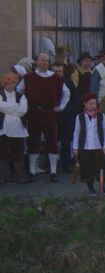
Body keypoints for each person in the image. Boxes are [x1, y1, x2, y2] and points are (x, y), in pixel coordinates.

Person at [21, 52, 70, 182]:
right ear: (37, 62)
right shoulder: (28, 78)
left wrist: (61, 107)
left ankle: (53, 172)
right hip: (34, 113)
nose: (45, 63)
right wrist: (24, 106)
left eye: (47, 61)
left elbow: (66, 93)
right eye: (42, 60)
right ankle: (32, 171)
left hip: (50, 113)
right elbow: (19, 92)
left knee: (52, 142)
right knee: (33, 143)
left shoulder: (55, 78)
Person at [72, 92, 105, 196]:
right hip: (85, 147)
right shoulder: (80, 117)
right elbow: (76, 132)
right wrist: (75, 148)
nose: (93, 106)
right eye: (90, 104)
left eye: (94, 103)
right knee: (87, 168)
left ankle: (102, 186)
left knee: (101, 167)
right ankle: (91, 188)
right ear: (85, 104)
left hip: (98, 147)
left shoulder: (101, 116)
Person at [0, 72, 28, 184]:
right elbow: (0, 107)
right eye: (8, 83)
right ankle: (3, 176)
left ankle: (19, 176)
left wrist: (7, 109)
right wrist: (16, 106)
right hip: (3, 129)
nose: (11, 85)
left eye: (12, 83)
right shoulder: (1, 94)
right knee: (2, 153)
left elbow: (23, 111)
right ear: (4, 84)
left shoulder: (21, 96)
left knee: (18, 153)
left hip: (18, 129)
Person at [53, 62, 79, 174]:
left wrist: (70, 111)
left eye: (60, 71)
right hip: (52, 115)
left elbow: (76, 99)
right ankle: (51, 164)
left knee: (66, 141)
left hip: (66, 116)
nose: (58, 73)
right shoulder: (48, 82)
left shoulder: (68, 82)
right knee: (52, 140)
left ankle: (66, 164)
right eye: (56, 71)